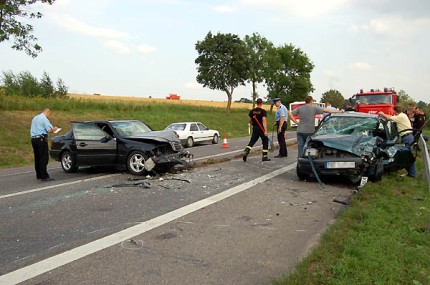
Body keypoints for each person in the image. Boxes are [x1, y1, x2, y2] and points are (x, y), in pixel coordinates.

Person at [379, 106, 417, 178]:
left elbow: (388, 118)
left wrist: (382, 113)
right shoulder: (402, 115)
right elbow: (391, 117)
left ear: (395, 111)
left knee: (408, 155)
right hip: (407, 136)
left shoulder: (400, 117)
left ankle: (413, 174)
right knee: (407, 155)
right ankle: (411, 174)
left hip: (407, 137)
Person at [30, 108, 59, 181]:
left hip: (34, 139)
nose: (49, 115)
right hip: (41, 139)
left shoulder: (35, 118)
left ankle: (39, 174)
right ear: (47, 112)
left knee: (37, 157)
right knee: (44, 157)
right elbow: (49, 130)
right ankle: (44, 176)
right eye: (49, 114)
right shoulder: (44, 119)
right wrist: (55, 129)